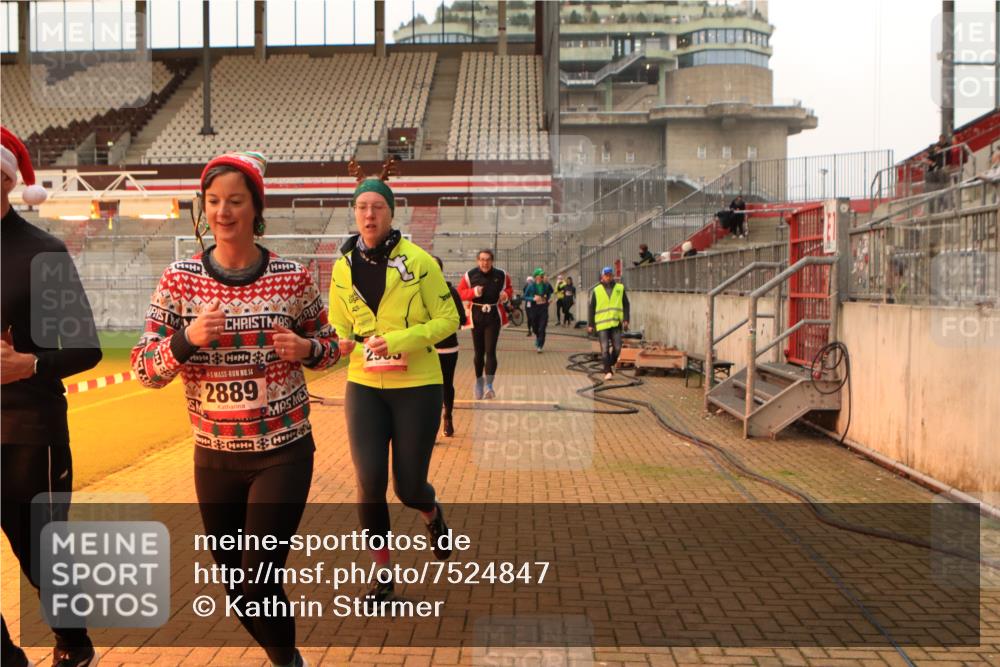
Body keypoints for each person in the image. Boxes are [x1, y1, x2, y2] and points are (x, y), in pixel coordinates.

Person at [132, 151, 340, 667]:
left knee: (259, 574)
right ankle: (288, 658)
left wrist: (306, 350)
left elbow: (334, 345)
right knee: (239, 591)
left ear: (255, 207)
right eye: (214, 201)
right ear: (204, 210)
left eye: (235, 201)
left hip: (284, 450)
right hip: (215, 456)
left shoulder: (292, 277)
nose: (223, 212)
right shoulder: (179, 280)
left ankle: (288, 663)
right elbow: (144, 370)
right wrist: (187, 339)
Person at [328, 158, 459, 605]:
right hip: (364, 384)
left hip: (417, 386)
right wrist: (342, 341)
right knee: (368, 483)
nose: (369, 215)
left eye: (377, 207)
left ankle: (431, 512)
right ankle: (383, 576)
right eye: (362, 207)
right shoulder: (342, 265)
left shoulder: (419, 262)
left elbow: (449, 318)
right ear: (355, 213)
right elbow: (338, 321)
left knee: (407, 486)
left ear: (390, 213)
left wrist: (400, 339)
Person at [1, 126, 103, 667]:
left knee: (41, 557)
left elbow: (87, 348)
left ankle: (73, 643)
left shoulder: (43, 251)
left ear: (6, 180)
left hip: (29, 432)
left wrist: (29, 363)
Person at [456, 249, 513, 399]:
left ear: (492, 261)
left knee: (491, 351)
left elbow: (509, 288)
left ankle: (489, 386)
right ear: (477, 261)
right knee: (478, 353)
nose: (484, 262)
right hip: (476, 316)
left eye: (487, 259)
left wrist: (506, 295)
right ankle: (479, 382)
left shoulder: (501, 275)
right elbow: (460, 293)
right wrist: (473, 292)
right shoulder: (470, 275)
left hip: (493, 316)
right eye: (481, 259)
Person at [434, 255, 467, 435]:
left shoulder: (451, 292)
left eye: (436, 267)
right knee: (428, 387)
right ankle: (431, 427)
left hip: (447, 347)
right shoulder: (418, 291)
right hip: (426, 349)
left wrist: (441, 324)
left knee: (446, 384)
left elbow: (461, 319)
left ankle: (448, 417)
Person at [588, 266, 631, 381]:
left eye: (610, 275)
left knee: (617, 348)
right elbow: (592, 308)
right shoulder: (597, 290)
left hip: (615, 323)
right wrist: (590, 325)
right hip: (602, 325)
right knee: (605, 348)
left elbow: (626, 304)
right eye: (606, 275)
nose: (608, 277)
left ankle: (610, 363)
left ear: (612, 276)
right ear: (602, 277)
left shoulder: (620, 288)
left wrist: (626, 319)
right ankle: (607, 370)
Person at [524, 268, 554, 353]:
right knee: (535, 328)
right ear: (536, 276)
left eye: (543, 275)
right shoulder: (530, 286)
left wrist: (548, 299)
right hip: (534, 309)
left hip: (543, 308)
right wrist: (533, 298)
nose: (542, 276)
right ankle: (538, 337)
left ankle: (540, 345)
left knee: (542, 327)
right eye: (541, 275)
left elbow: (550, 293)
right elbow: (524, 297)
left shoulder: (546, 285)